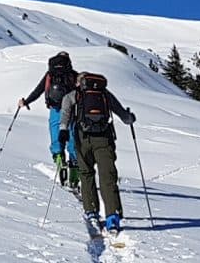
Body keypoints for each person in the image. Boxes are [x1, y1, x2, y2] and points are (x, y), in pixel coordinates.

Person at [65, 72, 137, 232]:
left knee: (86, 173)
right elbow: (124, 117)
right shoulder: (104, 94)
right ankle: (113, 216)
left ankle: (91, 211)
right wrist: (130, 117)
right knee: (108, 177)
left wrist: (63, 132)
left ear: (79, 83)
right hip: (104, 139)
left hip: (82, 139)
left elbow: (65, 116)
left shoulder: (73, 96)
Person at [15, 52, 79, 185]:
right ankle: (74, 167)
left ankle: (59, 158)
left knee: (56, 135)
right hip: (71, 111)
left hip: (55, 109)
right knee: (72, 137)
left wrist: (26, 101)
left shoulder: (50, 75)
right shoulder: (73, 75)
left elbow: (38, 91)